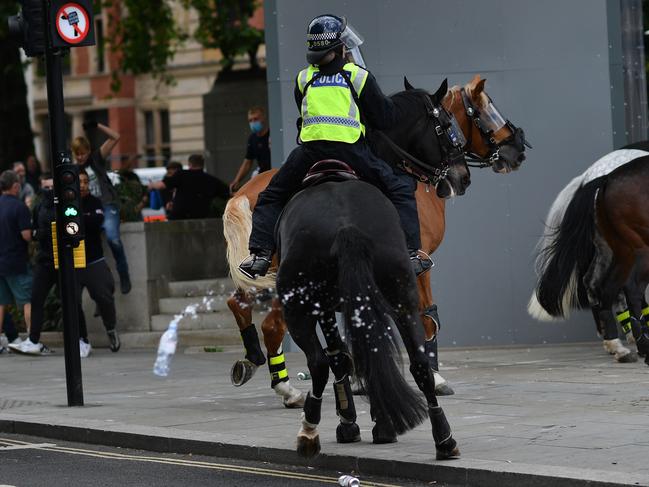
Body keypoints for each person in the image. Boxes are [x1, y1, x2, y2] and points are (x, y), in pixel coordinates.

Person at [239, 14, 431, 279]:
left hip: (309, 153)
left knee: (271, 195)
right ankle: (411, 254)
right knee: (400, 189)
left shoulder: (303, 78)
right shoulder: (357, 76)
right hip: (352, 152)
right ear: (339, 47)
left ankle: (259, 256)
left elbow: (304, 111)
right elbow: (384, 118)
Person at [72, 122, 132, 294]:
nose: (81, 157)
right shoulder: (75, 169)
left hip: (106, 205)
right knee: (92, 248)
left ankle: (124, 275)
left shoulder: (96, 158)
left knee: (112, 238)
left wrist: (96, 125)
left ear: (88, 152)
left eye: (83, 154)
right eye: (78, 155)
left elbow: (115, 136)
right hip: (89, 207)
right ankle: (103, 288)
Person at [76, 168, 120, 356]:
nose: (83, 185)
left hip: (94, 260)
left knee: (105, 296)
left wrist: (79, 222)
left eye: (86, 181)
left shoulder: (94, 202)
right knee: (71, 303)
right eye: (80, 182)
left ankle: (110, 329)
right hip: (73, 264)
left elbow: (96, 221)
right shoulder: (64, 204)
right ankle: (81, 339)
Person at [11, 174, 56, 355]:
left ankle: (80, 338)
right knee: (36, 299)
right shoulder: (39, 206)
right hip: (44, 260)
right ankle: (33, 340)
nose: (48, 191)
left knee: (72, 301)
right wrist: (41, 234)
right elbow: (34, 232)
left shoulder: (65, 205)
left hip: (63, 260)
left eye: (51, 187)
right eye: (45, 187)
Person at [0, 170, 32, 341]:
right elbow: (26, 235)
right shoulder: (19, 207)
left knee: (1, 304)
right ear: (15, 186)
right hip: (16, 263)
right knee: (27, 301)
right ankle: (32, 340)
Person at [148, 154, 229, 220]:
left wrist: (151, 185)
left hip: (179, 218)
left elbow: (162, 185)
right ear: (203, 164)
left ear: (189, 164)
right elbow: (228, 193)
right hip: (201, 218)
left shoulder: (181, 175)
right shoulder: (211, 180)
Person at [229, 106, 271, 193]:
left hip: (273, 173)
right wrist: (237, 180)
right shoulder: (252, 138)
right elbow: (248, 162)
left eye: (255, 119)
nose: (253, 122)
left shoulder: (272, 134)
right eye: (250, 120)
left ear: (263, 117)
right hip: (262, 175)